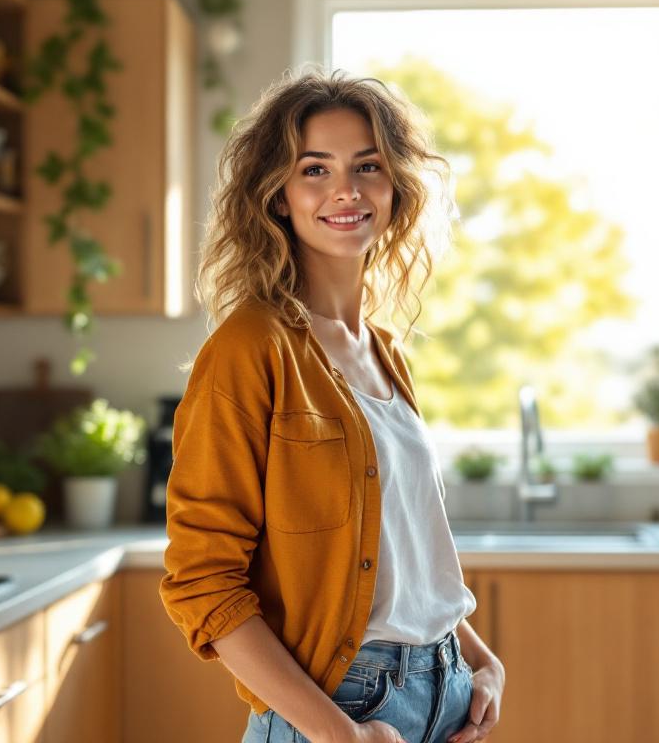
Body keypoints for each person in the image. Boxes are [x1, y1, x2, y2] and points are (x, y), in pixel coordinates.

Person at [159, 67, 505, 743]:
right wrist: (339, 734)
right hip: (337, 711)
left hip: (446, 697)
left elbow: (400, 558)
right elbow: (203, 582)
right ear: (278, 196)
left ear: (395, 187)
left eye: (366, 166)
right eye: (314, 169)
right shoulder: (249, 347)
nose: (345, 189)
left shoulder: (383, 350)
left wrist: (480, 661)